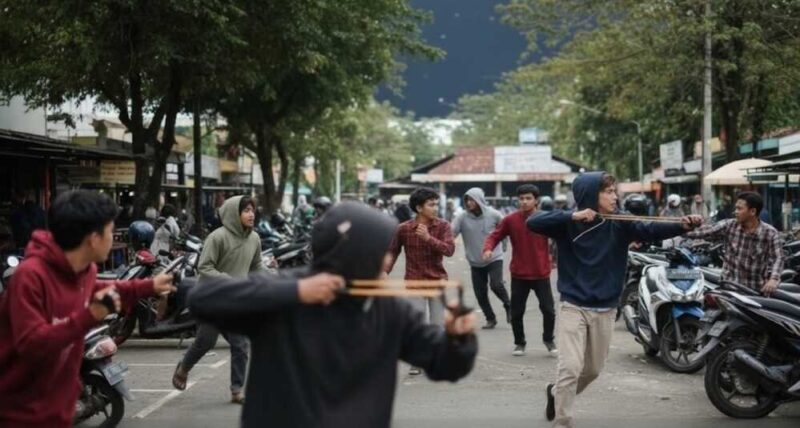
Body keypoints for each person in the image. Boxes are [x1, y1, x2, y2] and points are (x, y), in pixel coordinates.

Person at [187, 202, 477, 428]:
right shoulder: (287, 291)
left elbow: (446, 365)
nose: (388, 259)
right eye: (379, 251)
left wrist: (458, 338)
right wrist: (296, 293)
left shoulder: (385, 309)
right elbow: (202, 299)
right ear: (351, 254)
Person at [528, 172, 701, 428]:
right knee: (570, 369)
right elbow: (533, 222)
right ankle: (563, 421)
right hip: (573, 306)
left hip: (606, 308)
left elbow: (650, 229)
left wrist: (681, 226)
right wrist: (571, 215)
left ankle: (556, 394)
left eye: (614, 191)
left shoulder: (621, 222)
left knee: (592, 370)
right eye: (608, 192)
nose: (614, 196)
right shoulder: (567, 222)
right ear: (589, 195)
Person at [0, 190, 174, 428]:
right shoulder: (30, 277)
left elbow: (102, 287)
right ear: (93, 238)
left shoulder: (84, 270)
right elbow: (32, 344)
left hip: (57, 409)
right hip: (19, 413)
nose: (113, 238)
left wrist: (149, 286)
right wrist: (89, 315)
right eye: (110, 231)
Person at [172, 195, 264, 404]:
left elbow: (256, 266)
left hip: (235, 301)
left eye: (252, 210)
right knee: (206, 341)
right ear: (234, 214)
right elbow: (204, 267)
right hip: (212, 298)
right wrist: (229, 280)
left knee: (240, 344)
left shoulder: (254, 238)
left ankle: (236, 390)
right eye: (246, 210)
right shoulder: (217, 237)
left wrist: (271, 277)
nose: (251, 214)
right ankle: (184, 367)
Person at [387, 187, 455, 375]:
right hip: (414, 281)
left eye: (436, 204)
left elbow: (449, 250)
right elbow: (393, 251)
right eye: (431, 204)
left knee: (437, 324)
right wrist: (384, 270)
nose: (435, 208)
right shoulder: (403, 229)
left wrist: (428, 238)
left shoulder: (443, 226)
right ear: (419, 208)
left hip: (437, 280)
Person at [483, 184, 556, 357]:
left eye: (528, 198)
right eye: (521, 198)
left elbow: (561, 236)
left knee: (549, 310)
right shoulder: (510, 220)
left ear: (536, 200)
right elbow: (495, 235)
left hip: (541, 273)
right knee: (516, 312)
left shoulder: (545, 218)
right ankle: (519, 343)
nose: (524, 202)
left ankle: (548, 339)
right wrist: (487, 248)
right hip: (519, 274)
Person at [686, 192, 784, 295]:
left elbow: (778, 258)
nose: (735, 212)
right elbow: (704, 231)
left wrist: (773, 279)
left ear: (752, 211)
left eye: (739, 209)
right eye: (735, 208)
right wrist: (680, 228)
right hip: (729, 289)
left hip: (755, 292)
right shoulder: (729, 225)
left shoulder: (770, 233)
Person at [451, 188, 511, 329]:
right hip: (475, 260)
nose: (469, 203)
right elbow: (451, 232)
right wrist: (445, 243)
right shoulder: (462, 217)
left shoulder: (494, 214)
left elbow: (504, 230)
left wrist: (504, 245)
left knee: (496, 284)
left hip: (494, 257)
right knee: (480, 293)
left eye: (472, 199)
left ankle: (508, 304)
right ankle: (490, 318)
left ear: (479, 200)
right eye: (467, 200)